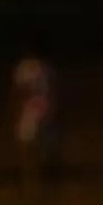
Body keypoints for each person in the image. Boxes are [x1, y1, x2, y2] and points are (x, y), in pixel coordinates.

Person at [12, 41, 64, 193]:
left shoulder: (27, 69)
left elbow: (18, 92)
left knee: (32, 148)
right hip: (39, 107)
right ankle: (38, 181)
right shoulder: (42, 68)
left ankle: (35, 181)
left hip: (34, 108)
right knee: (37, 147)